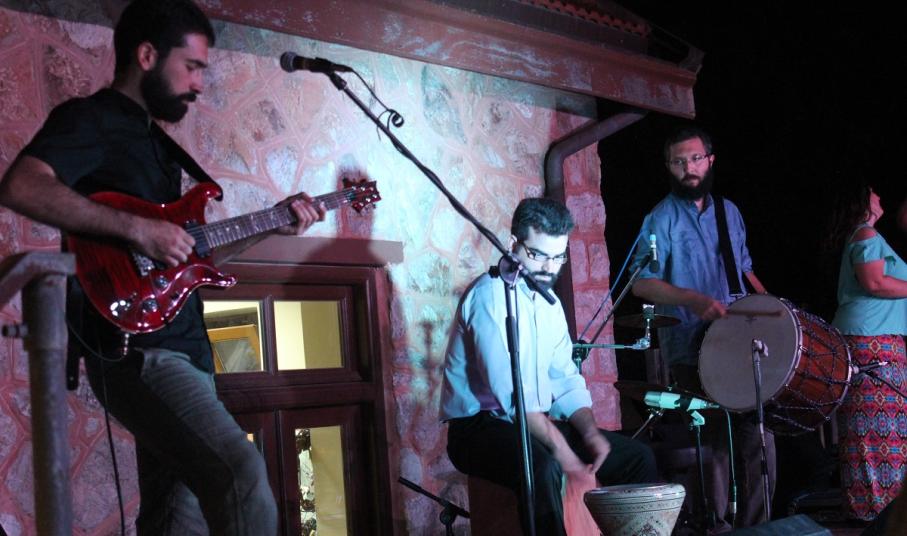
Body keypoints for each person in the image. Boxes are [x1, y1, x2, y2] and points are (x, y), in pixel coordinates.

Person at [0, 1, 325, 534]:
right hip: (140, 351)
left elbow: (190, 256)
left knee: (175, 518)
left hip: (187, 347)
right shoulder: (92, 118)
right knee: (240, 473)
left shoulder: (156, 146)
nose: (199, 83)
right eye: (192, 66)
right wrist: (136, 229)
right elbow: (22, 186)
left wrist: (273, 223)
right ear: (147, 55)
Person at [440, 197, 657, 535]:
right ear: (513, 244)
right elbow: (515, 398)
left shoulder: (549, 304)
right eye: (539, 255)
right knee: (543, 468)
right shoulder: (489, 297)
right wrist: (568, 459)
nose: (549, 268)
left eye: (558, 257)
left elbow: (565, 378)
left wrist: (590, 433)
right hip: (477, 430)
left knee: (637, 458)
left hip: (531, 424)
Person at [630, 126, 774, 531]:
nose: (688, 168)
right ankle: (718, 527)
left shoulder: (729, 212)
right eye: (679, 161)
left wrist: (774, 306)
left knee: (759, 435)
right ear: (668, 167)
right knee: (713, 441)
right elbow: (640, 282)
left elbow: (745, 271)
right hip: (690, 343)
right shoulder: (660, 218)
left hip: (738, 340)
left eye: (695, 159)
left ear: (710, 161)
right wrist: (692, 299)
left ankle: (759, 526)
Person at [826, 182, 907, 522]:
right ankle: (875, 511)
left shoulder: (866, 235)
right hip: (871, 343)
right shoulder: (866, 234)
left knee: (877, 428)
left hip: (874, 340)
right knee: (875, 430)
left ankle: (877, 510)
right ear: (862, 201)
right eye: (873, 192)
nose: (879, 195)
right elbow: (874, 282)